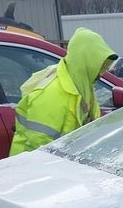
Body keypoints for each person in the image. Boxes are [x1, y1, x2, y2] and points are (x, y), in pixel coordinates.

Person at [9, 27, 117, 156]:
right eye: (100, 64)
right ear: (87, 60)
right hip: (35, 169)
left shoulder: (82, 87)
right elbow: (37, 145)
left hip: (60, 165)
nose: (102, 70)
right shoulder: (52, 93)